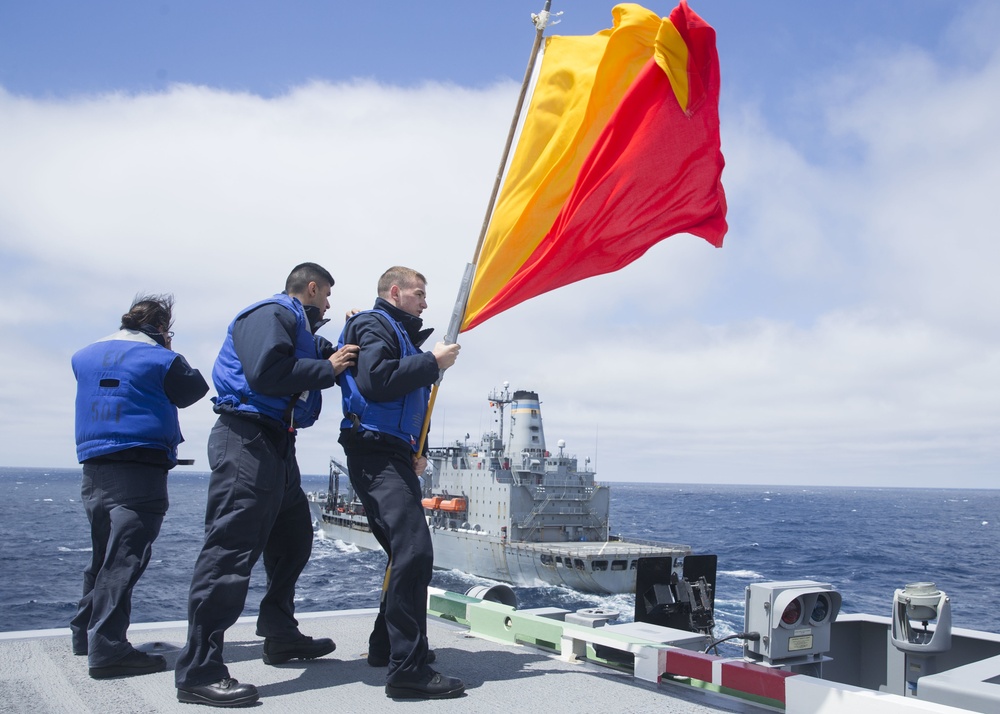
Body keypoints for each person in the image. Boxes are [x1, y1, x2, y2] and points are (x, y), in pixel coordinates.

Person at [174, 263, 359, 707]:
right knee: (230, 551)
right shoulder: (270, 314)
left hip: (277, 443)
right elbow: (264, 374)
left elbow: (335, 354)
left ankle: (280, 634)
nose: (329, 305)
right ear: (311, 288)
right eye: (328, 297)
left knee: (293, 539)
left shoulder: (299, 329)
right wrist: (327, 368)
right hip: (246, 439)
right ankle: (199, 670)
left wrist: (358, 331)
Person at [337, 266, 464, 699]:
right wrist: (431, 362)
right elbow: (375, 381)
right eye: (419, 294)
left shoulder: (399, 334)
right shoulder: (374, 324)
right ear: (396, 291)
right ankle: (406, 671)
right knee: (413, 551)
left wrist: (419, 446)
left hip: (394, 454)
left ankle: (387, 645)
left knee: (402, 553)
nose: (425, 302)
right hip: (374, 453)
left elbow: (405, 395)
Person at [70, 295, 209, 679]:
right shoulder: (162, 358)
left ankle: (85, 633)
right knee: (125, 560)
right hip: (140, 470)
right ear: (163, 328)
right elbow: (193, 390)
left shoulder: (83, 355)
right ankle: (108, 650)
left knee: (102, 557)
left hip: (94, 467)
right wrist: (167, 348)